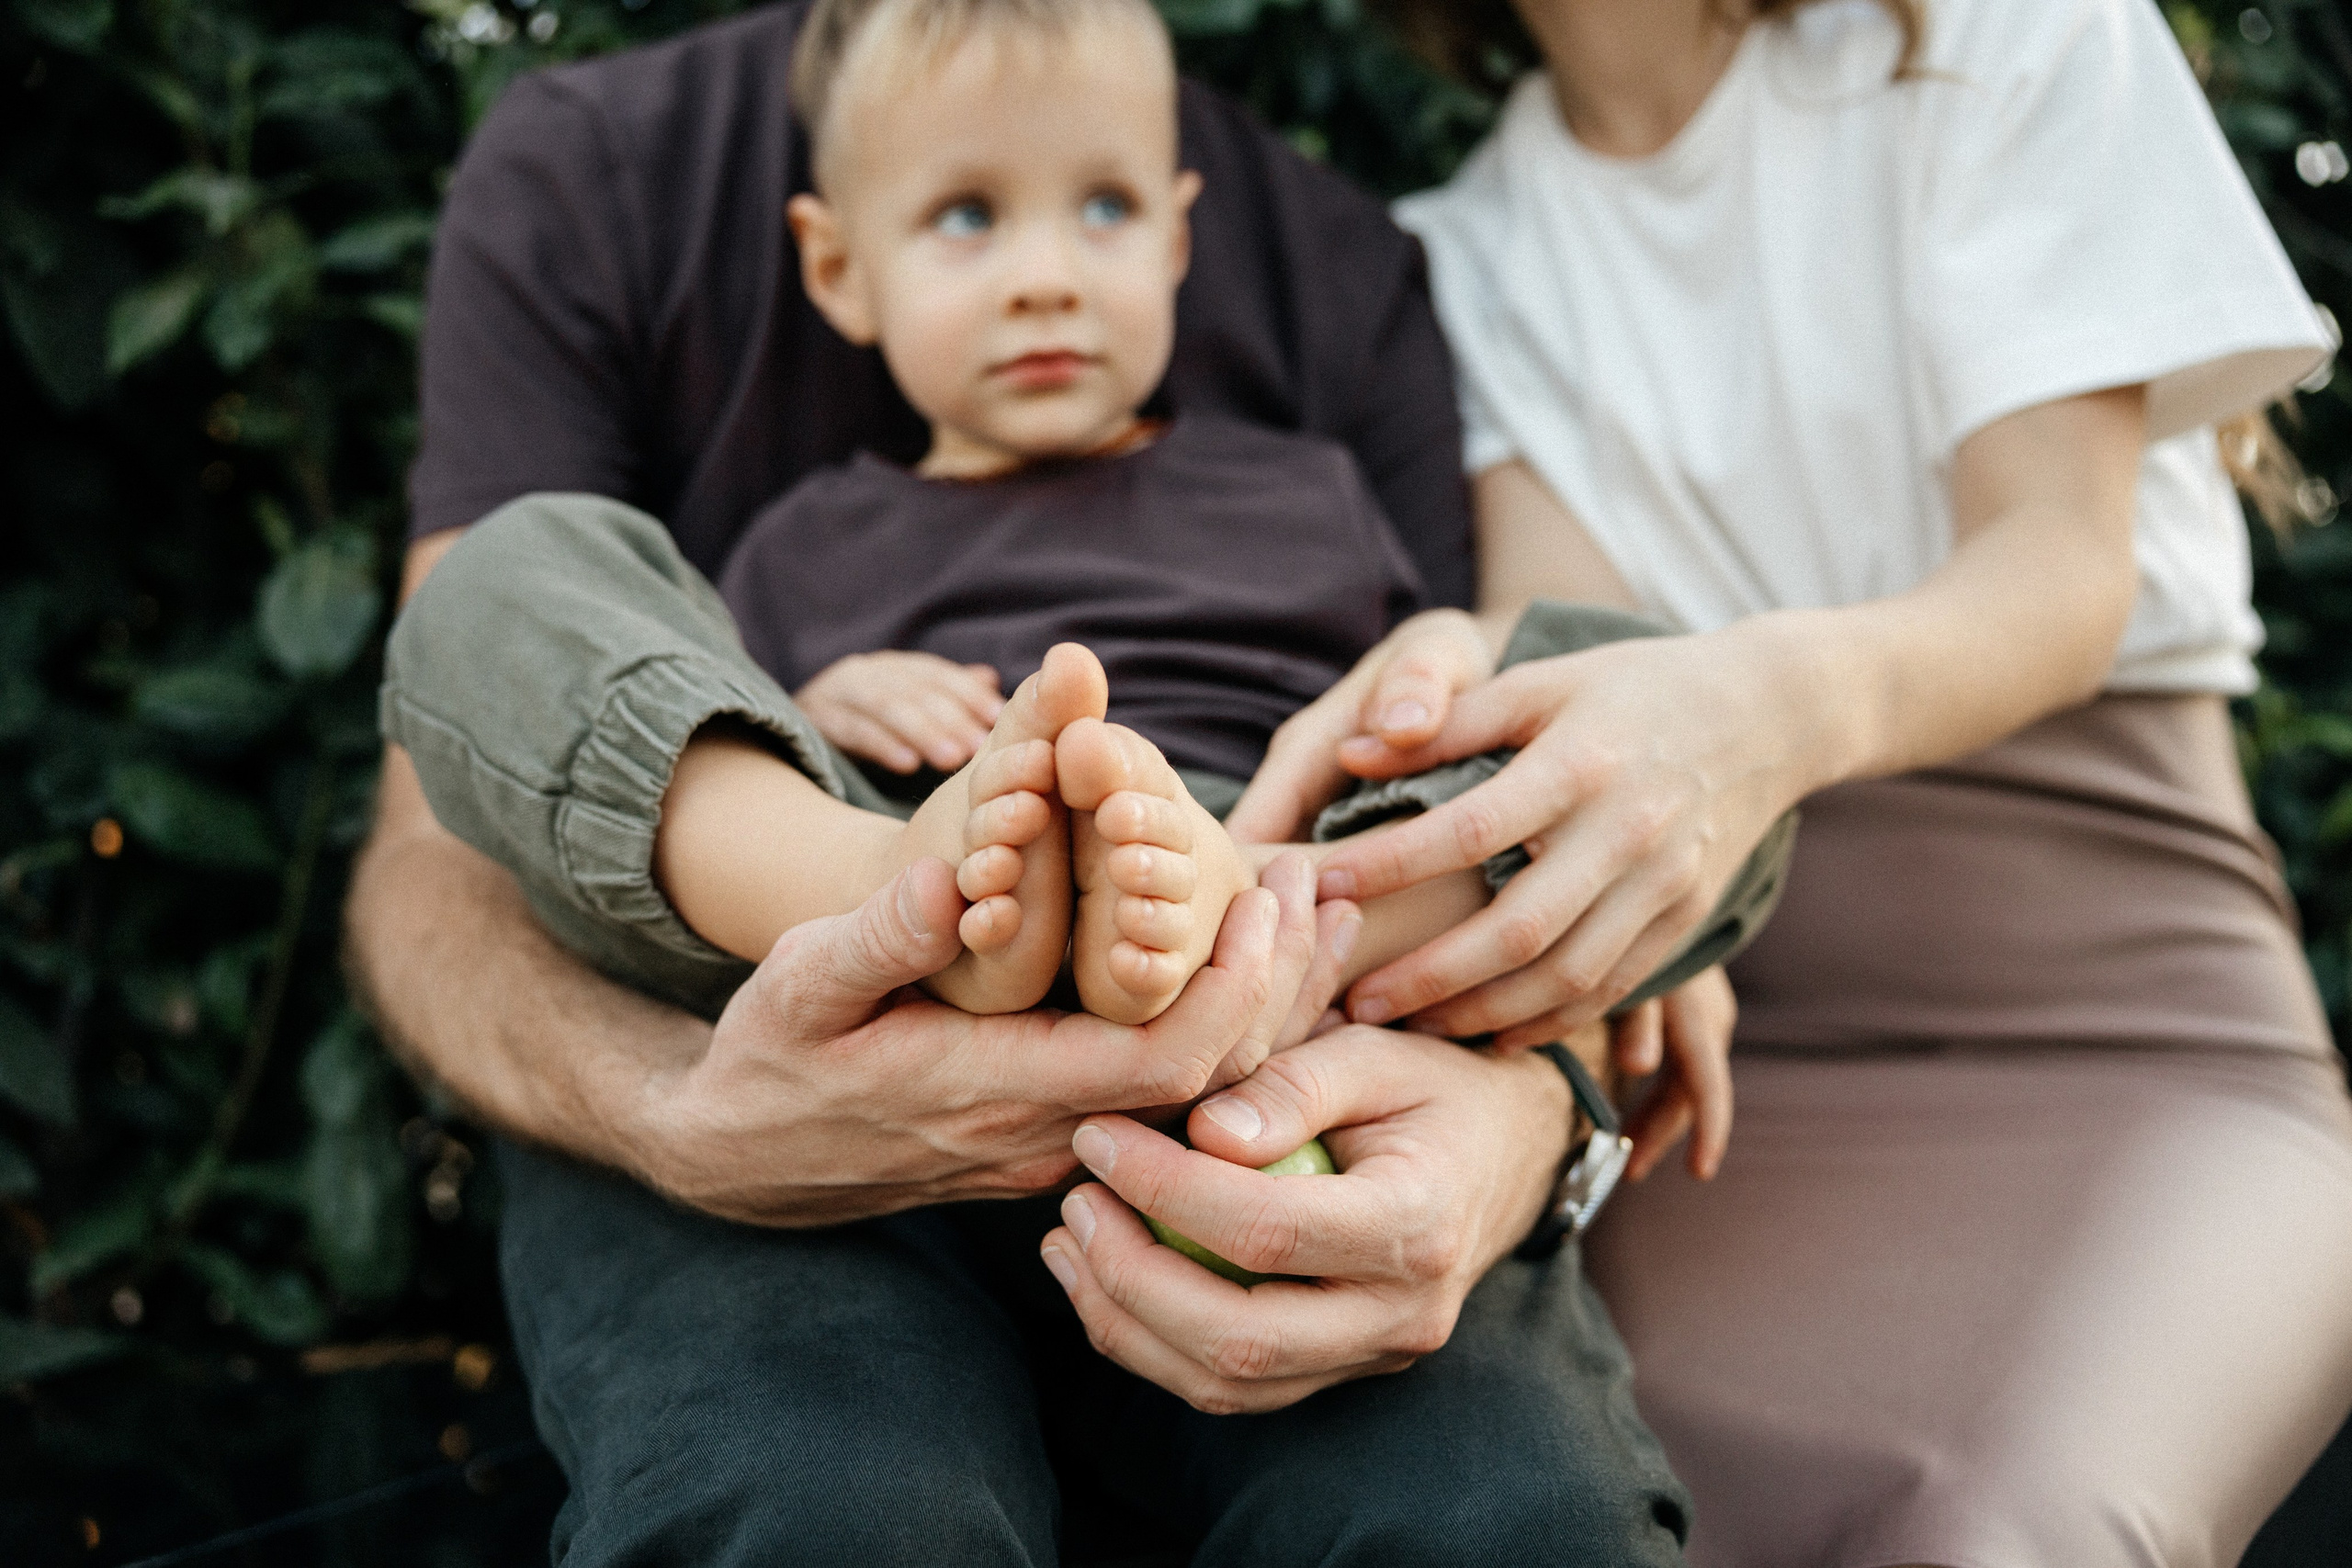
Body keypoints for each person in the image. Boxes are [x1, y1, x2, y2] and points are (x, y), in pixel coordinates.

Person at [346, 1, 1738, 1560]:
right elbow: (509, 806)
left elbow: (1457, 717)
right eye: (964, 218)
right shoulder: (784, 537)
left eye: (1104, 210)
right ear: (835, 269)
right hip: (851, 907)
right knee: (510, 582)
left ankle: (1206, 912)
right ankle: (917, 899)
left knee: (1638, 678)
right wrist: (812, 712)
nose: (1045, 274)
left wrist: (1543, 919)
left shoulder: (1306, 477)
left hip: (1277, 935)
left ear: (1180, 229)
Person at [1216, 0, 2352, 1563]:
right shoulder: (1455, 253)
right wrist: (1447, 677)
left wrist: (1759, 707)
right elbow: (1578, 654)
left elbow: (2059, 569)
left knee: (2004, 1528)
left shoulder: (2010, 39)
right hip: (1722, 1089)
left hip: (2128, 1028)